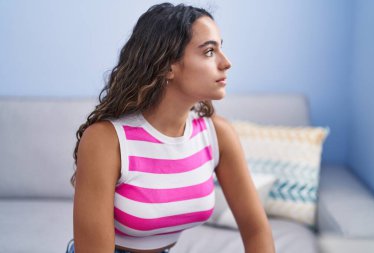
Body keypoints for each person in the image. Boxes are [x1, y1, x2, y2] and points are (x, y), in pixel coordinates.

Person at [68, 2, 275, 253]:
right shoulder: (106, 140)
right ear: (167, 66)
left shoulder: (217, 134)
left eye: (222, 48)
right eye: (209, 51)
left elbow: (256, 231)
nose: (226, 62)